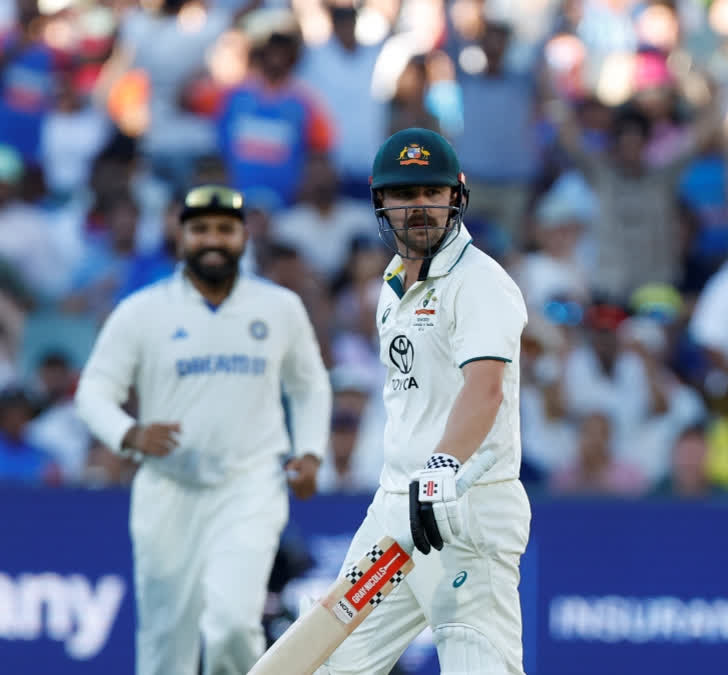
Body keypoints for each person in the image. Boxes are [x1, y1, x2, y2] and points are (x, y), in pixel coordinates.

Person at [75, 184, 332, 675]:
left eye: (224, 229)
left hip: (249, 484)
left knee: (233, 625)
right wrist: (129, 434)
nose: (212, 240)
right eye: (200, 230)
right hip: (168, 490)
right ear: (180, 235)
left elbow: (310, 385)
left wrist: (312, 453)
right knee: (165, 643)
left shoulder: (278, 307)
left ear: (243, 236)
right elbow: (93, 391)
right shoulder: (142, 311)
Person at [319, 127, 530, 674]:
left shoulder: (479, 282)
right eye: (404, 195)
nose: (419, 208)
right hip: (394, 513)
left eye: (432, 194)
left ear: (456, 199)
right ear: (379, 203)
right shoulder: (391, 288)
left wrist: (442, 467)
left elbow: (484, 388)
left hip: (465, 507)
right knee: (334, 663)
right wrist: (415, 480)